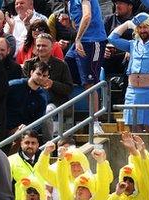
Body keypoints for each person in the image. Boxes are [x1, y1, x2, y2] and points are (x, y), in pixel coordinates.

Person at [109, 13, 149, 132]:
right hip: (132, 91)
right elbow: (112, 38)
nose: (143, 30)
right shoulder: (133, 44)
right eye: (140, 27)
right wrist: (127, 24)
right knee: (133, 128)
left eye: (146, 27)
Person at [64, 0, 107, 135]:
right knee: (67, 63)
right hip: (82, 42)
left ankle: (95, 122)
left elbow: (87, 16)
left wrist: (77, 39)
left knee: (90, 83)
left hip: (93, 41)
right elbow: (76, 23)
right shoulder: (69, 3)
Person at [23, 33, 73, 142]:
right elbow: (24, 86)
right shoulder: (28, 64)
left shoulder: (61, 65)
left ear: (52, 47)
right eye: (38, 45)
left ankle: (48, 144)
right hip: (32, 101)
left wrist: (52, 84)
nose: (41, 48)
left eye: (44, 46)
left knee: (46, 112)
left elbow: (69, 88)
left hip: (54, 102)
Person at [5, 61, 48, 133]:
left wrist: (27, 127)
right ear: (31, 73)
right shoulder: (14, 85)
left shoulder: (42, 96)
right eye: (38, 74)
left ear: (47, 77)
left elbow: (39, 119)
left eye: (44, 76)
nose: (41, 77)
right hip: (3, 126)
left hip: (21, 131)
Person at [7, 130, 42, 200]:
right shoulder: (11, 160)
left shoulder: (43, 160)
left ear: (38, 145)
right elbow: (6, 187)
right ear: (21, 144)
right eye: (27, 143)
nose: (30, 146)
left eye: (33, 143)